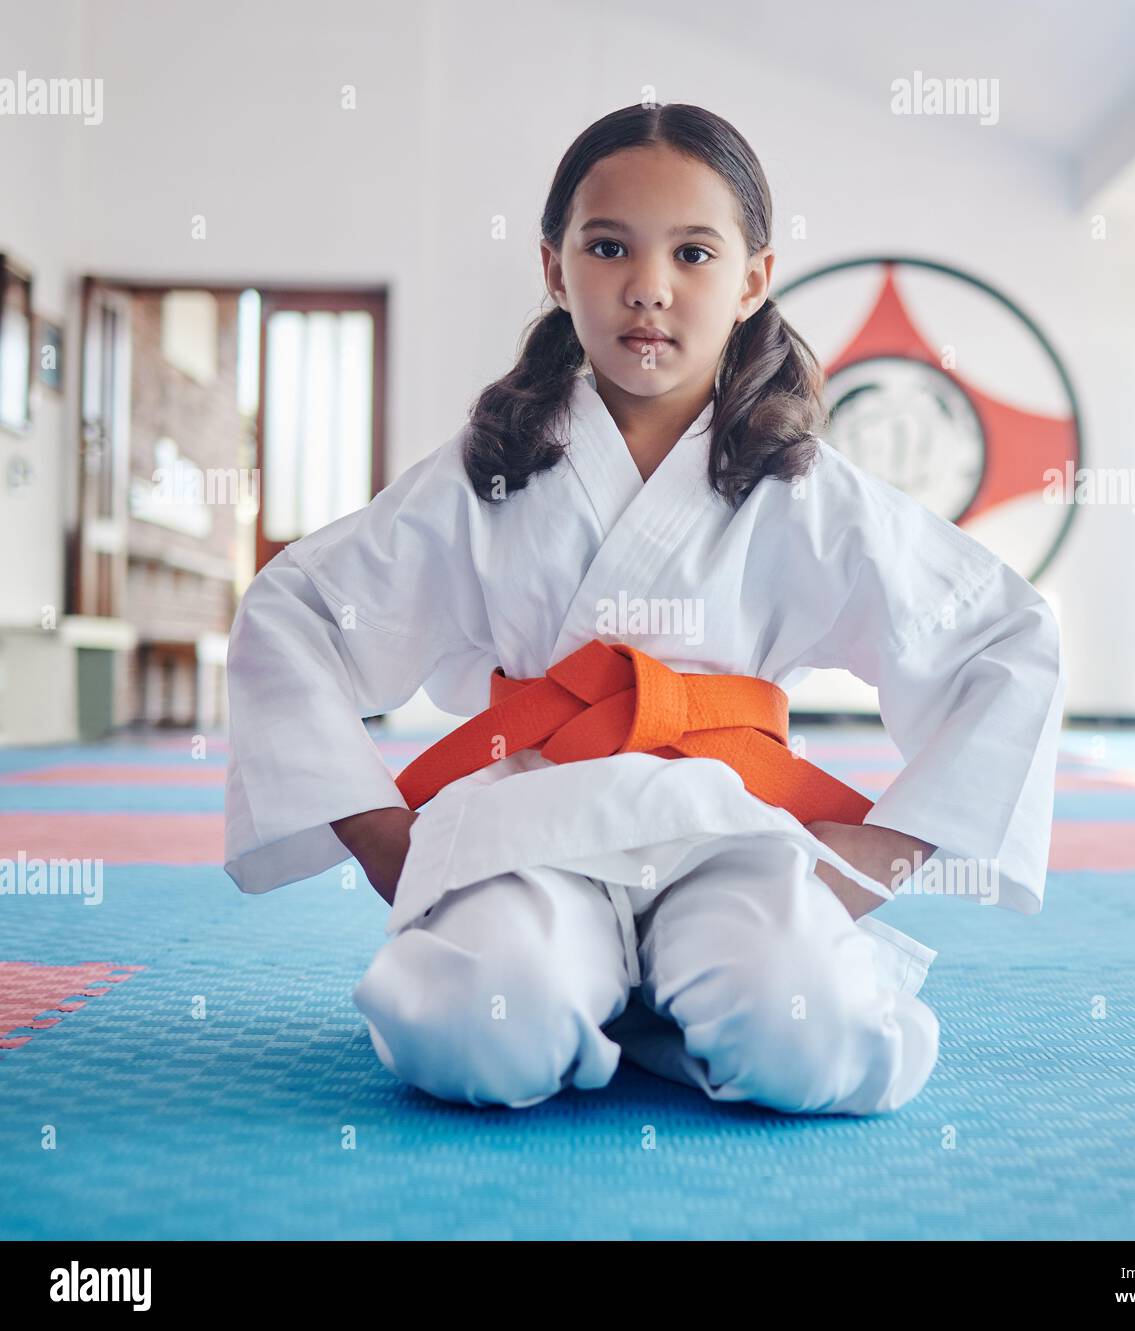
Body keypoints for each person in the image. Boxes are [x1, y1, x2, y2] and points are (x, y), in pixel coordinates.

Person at [223, 102, 1066, 1117]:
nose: (649, 288)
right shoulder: (490, 473)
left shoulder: (801, 486)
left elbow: (1005, 635)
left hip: (728, 826)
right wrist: (383, 837)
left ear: (754, 278)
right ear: (553, 265)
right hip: (529, 818)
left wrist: (882, 853)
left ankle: (654, 998)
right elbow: (294, 612)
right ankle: (627, 1003)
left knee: (814, 1037)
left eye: (695, 253)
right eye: (608, 245)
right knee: (474, 1028)